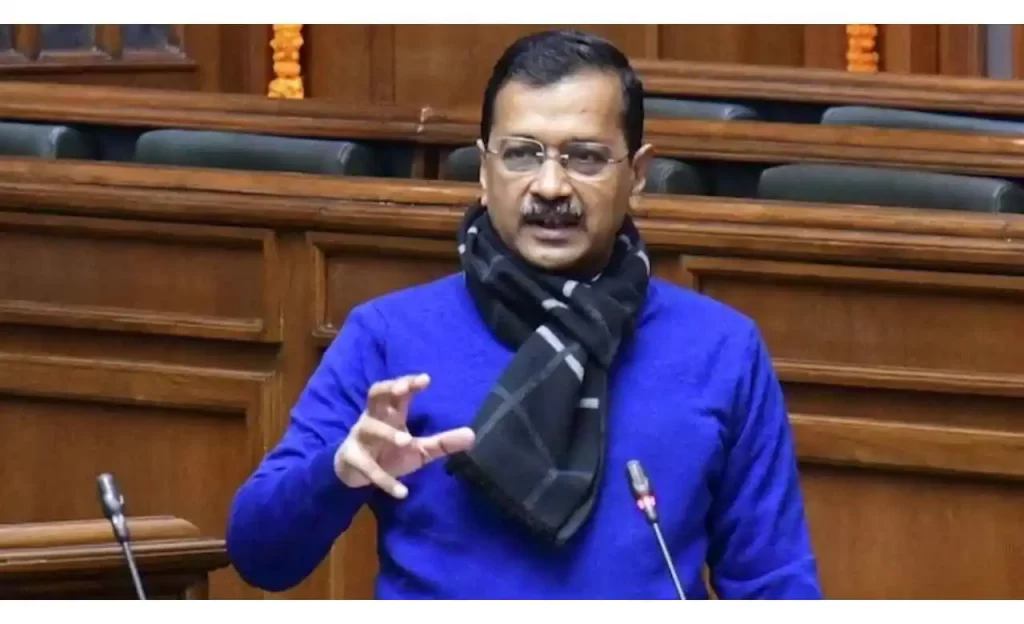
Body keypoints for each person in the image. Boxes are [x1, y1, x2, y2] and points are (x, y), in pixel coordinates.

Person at [225, 29, 821, 600]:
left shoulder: (720, 348)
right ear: (485, 171)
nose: (551, 186)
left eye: (585, 157)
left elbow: (774, 584)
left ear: (637, 175)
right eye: (521, 155)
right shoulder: (388, 337)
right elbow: (259, 556)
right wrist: (335, 476)